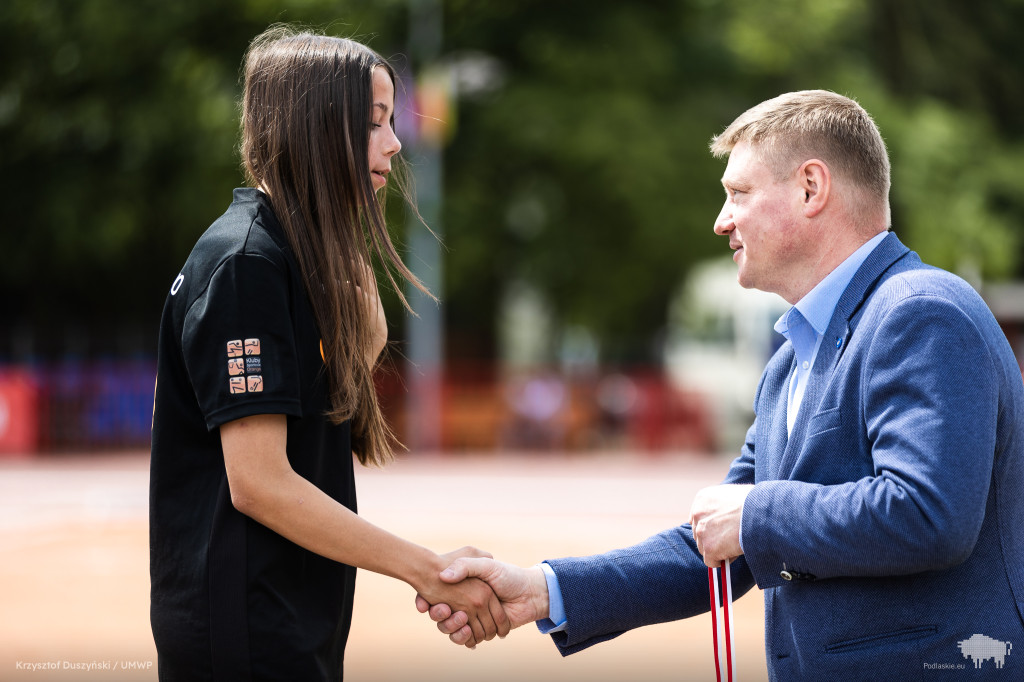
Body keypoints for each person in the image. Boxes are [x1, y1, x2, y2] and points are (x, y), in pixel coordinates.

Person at [419, 90, 1024, 679]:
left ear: (811, 188)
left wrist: (757, 512)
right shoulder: (792, 359)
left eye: (738, 193)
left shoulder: (919, 311)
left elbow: (928, 514)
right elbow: (717, 546)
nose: (720, 221)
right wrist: (543, 590)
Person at [149, 26, 508, 681]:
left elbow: (320, 430)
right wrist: (428, 571)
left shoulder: (296, 259)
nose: (396, 144)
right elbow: (258, 482)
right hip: (244, 635)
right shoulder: (245, 263)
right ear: (314, 126)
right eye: (374, 123)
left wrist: (358, 346)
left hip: (290, 621)